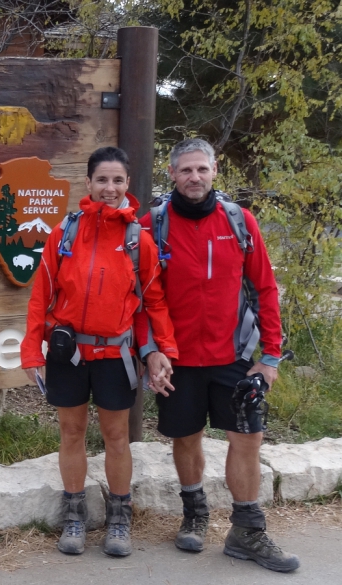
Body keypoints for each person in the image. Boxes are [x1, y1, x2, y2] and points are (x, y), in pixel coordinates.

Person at [138, 138, 299, 572]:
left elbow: (265, 288)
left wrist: (271, 357)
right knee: (186, 438)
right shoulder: (152, 224)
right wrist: (151, 352)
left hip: (236, 356)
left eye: (202, 170)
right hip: (178, 358)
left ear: (214, 171)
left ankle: (247, 530)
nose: (194, 177)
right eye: (186, 170)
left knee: (247, 438)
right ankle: (195, 514)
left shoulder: (239, 220)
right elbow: (136, 296)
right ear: (171, 173)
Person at [21, 146, 177, 557]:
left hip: (115, 356)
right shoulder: (65, 232)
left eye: (118, 180)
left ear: (128, 185)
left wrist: (164, 351)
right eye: (102, 180)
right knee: (70, 433)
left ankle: (119, 519)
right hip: (68, 354)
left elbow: (153, 302)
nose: (110, 188)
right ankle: (74, 514)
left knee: (116, 438)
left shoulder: (137, 240)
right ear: (88, 183)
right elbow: (42, 295)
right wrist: (30, 350)